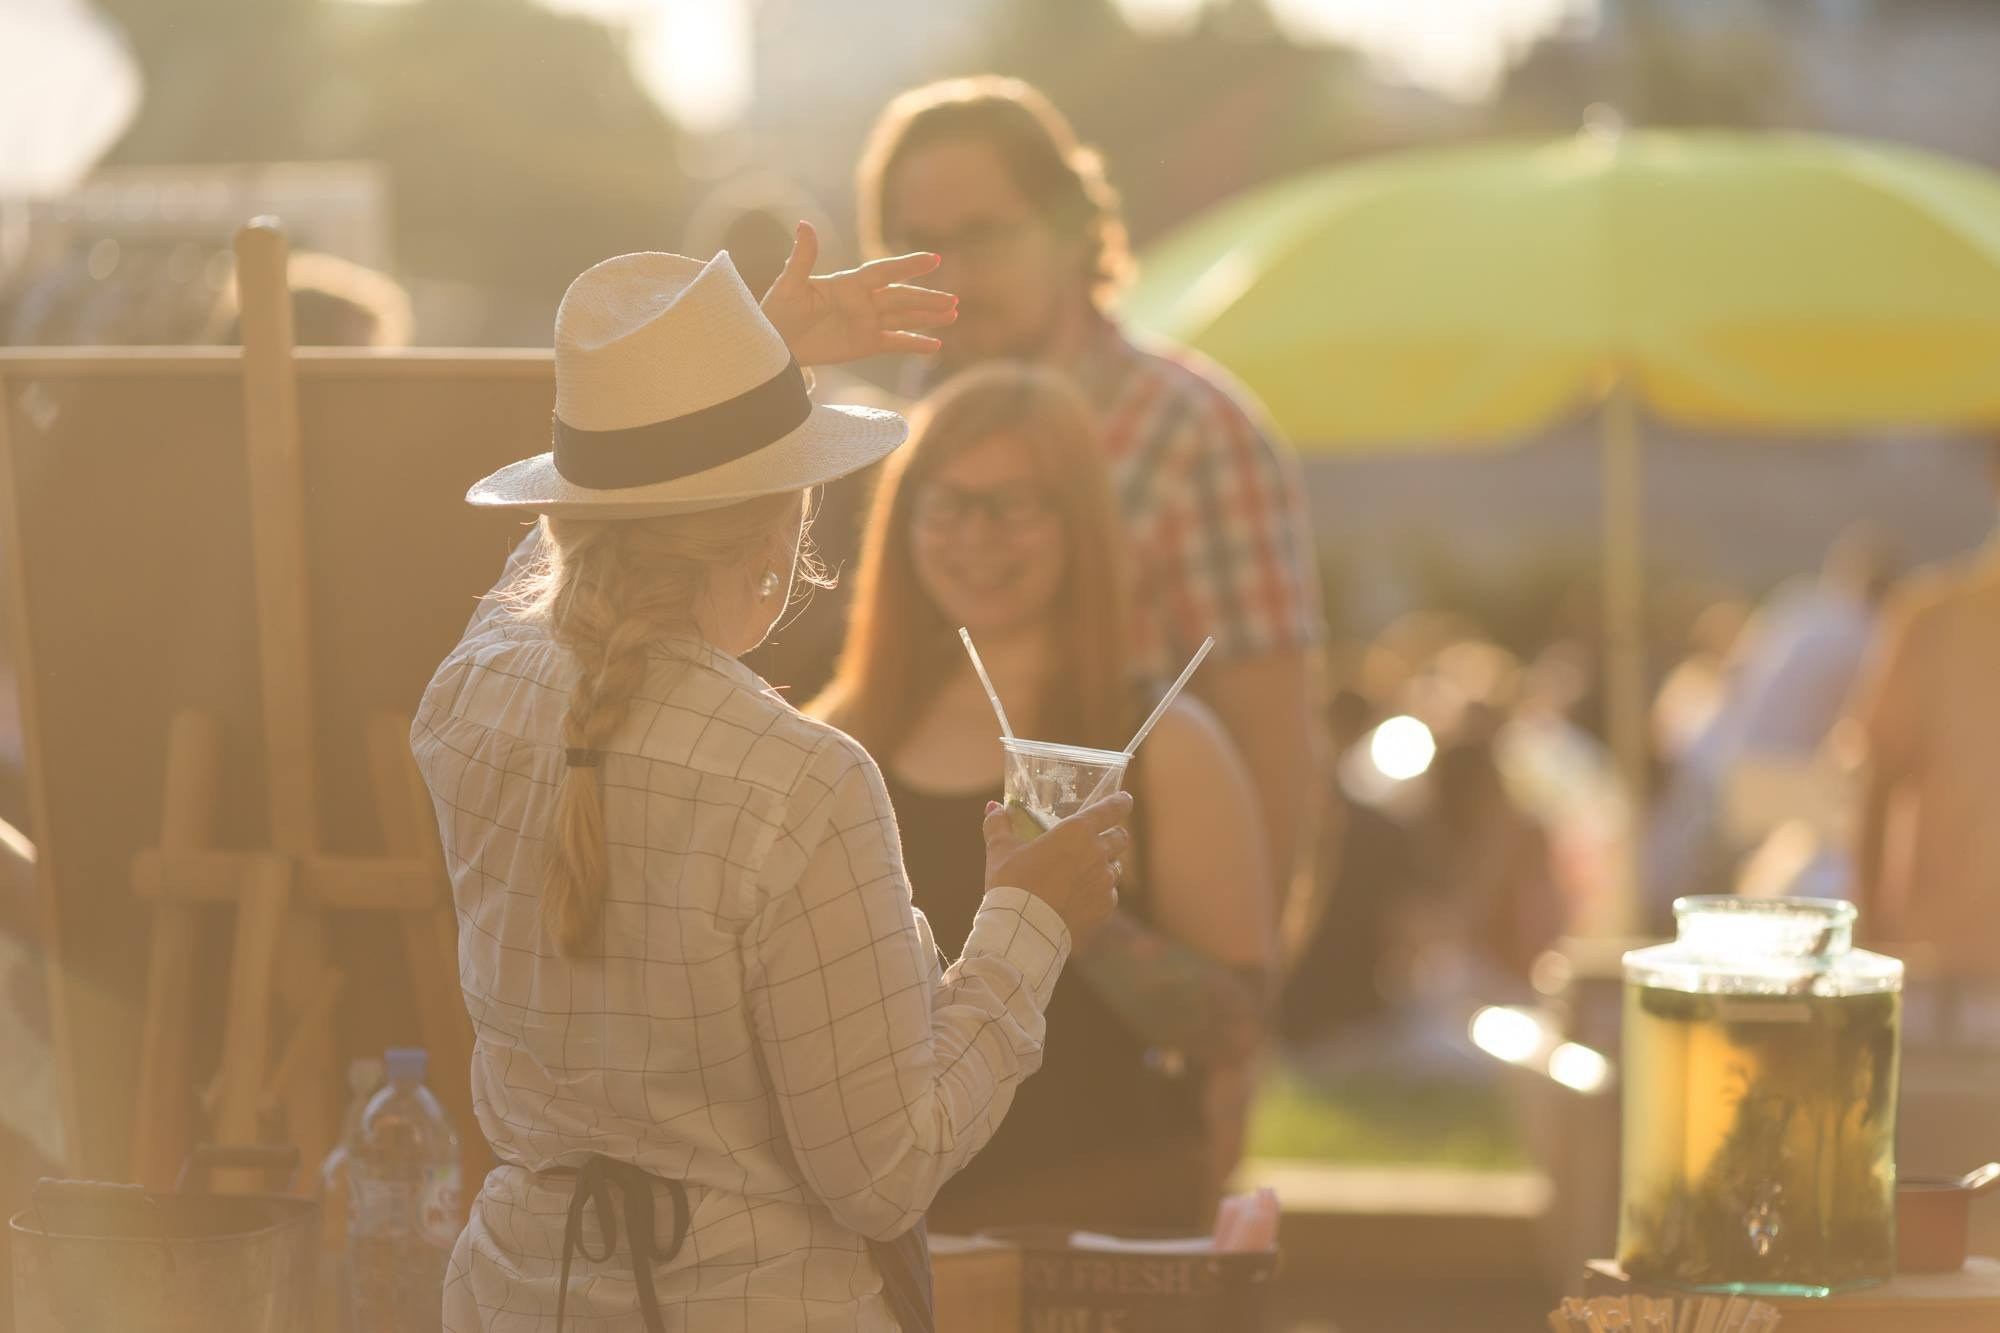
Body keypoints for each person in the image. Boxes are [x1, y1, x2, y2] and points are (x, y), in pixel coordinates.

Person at [411, 230, 1132, 1332]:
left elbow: (557, 569)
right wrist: (1028, 921)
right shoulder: (799, 781)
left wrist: (740, 359)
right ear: (772, 535)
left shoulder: (468, 694)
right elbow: (883, 1168)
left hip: (516, 1298)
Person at [810, 365, 1273, 1229]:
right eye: (948, 503)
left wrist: (1080, 916)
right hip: (867, 1244)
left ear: (1080, 527)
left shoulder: (1169, 745)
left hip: (1089, 1230)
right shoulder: (833, 736)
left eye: (1017, 504)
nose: (979, 536)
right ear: (902, 521)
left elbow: (1234, 1027)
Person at [856, 76, 1323, 928]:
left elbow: (1273, 739)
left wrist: (1243, 994)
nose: (953, 276)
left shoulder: (1195, 433)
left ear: (1074, 230)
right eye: (919, 245)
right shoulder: (894, 437)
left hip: (1120, 940)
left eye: (985, 236)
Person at [1852, 440, 2000, 978]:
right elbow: (1876, 787)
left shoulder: (1931, 616)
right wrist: (1871, 947)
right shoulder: (1931, 620)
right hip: (1952, 976)